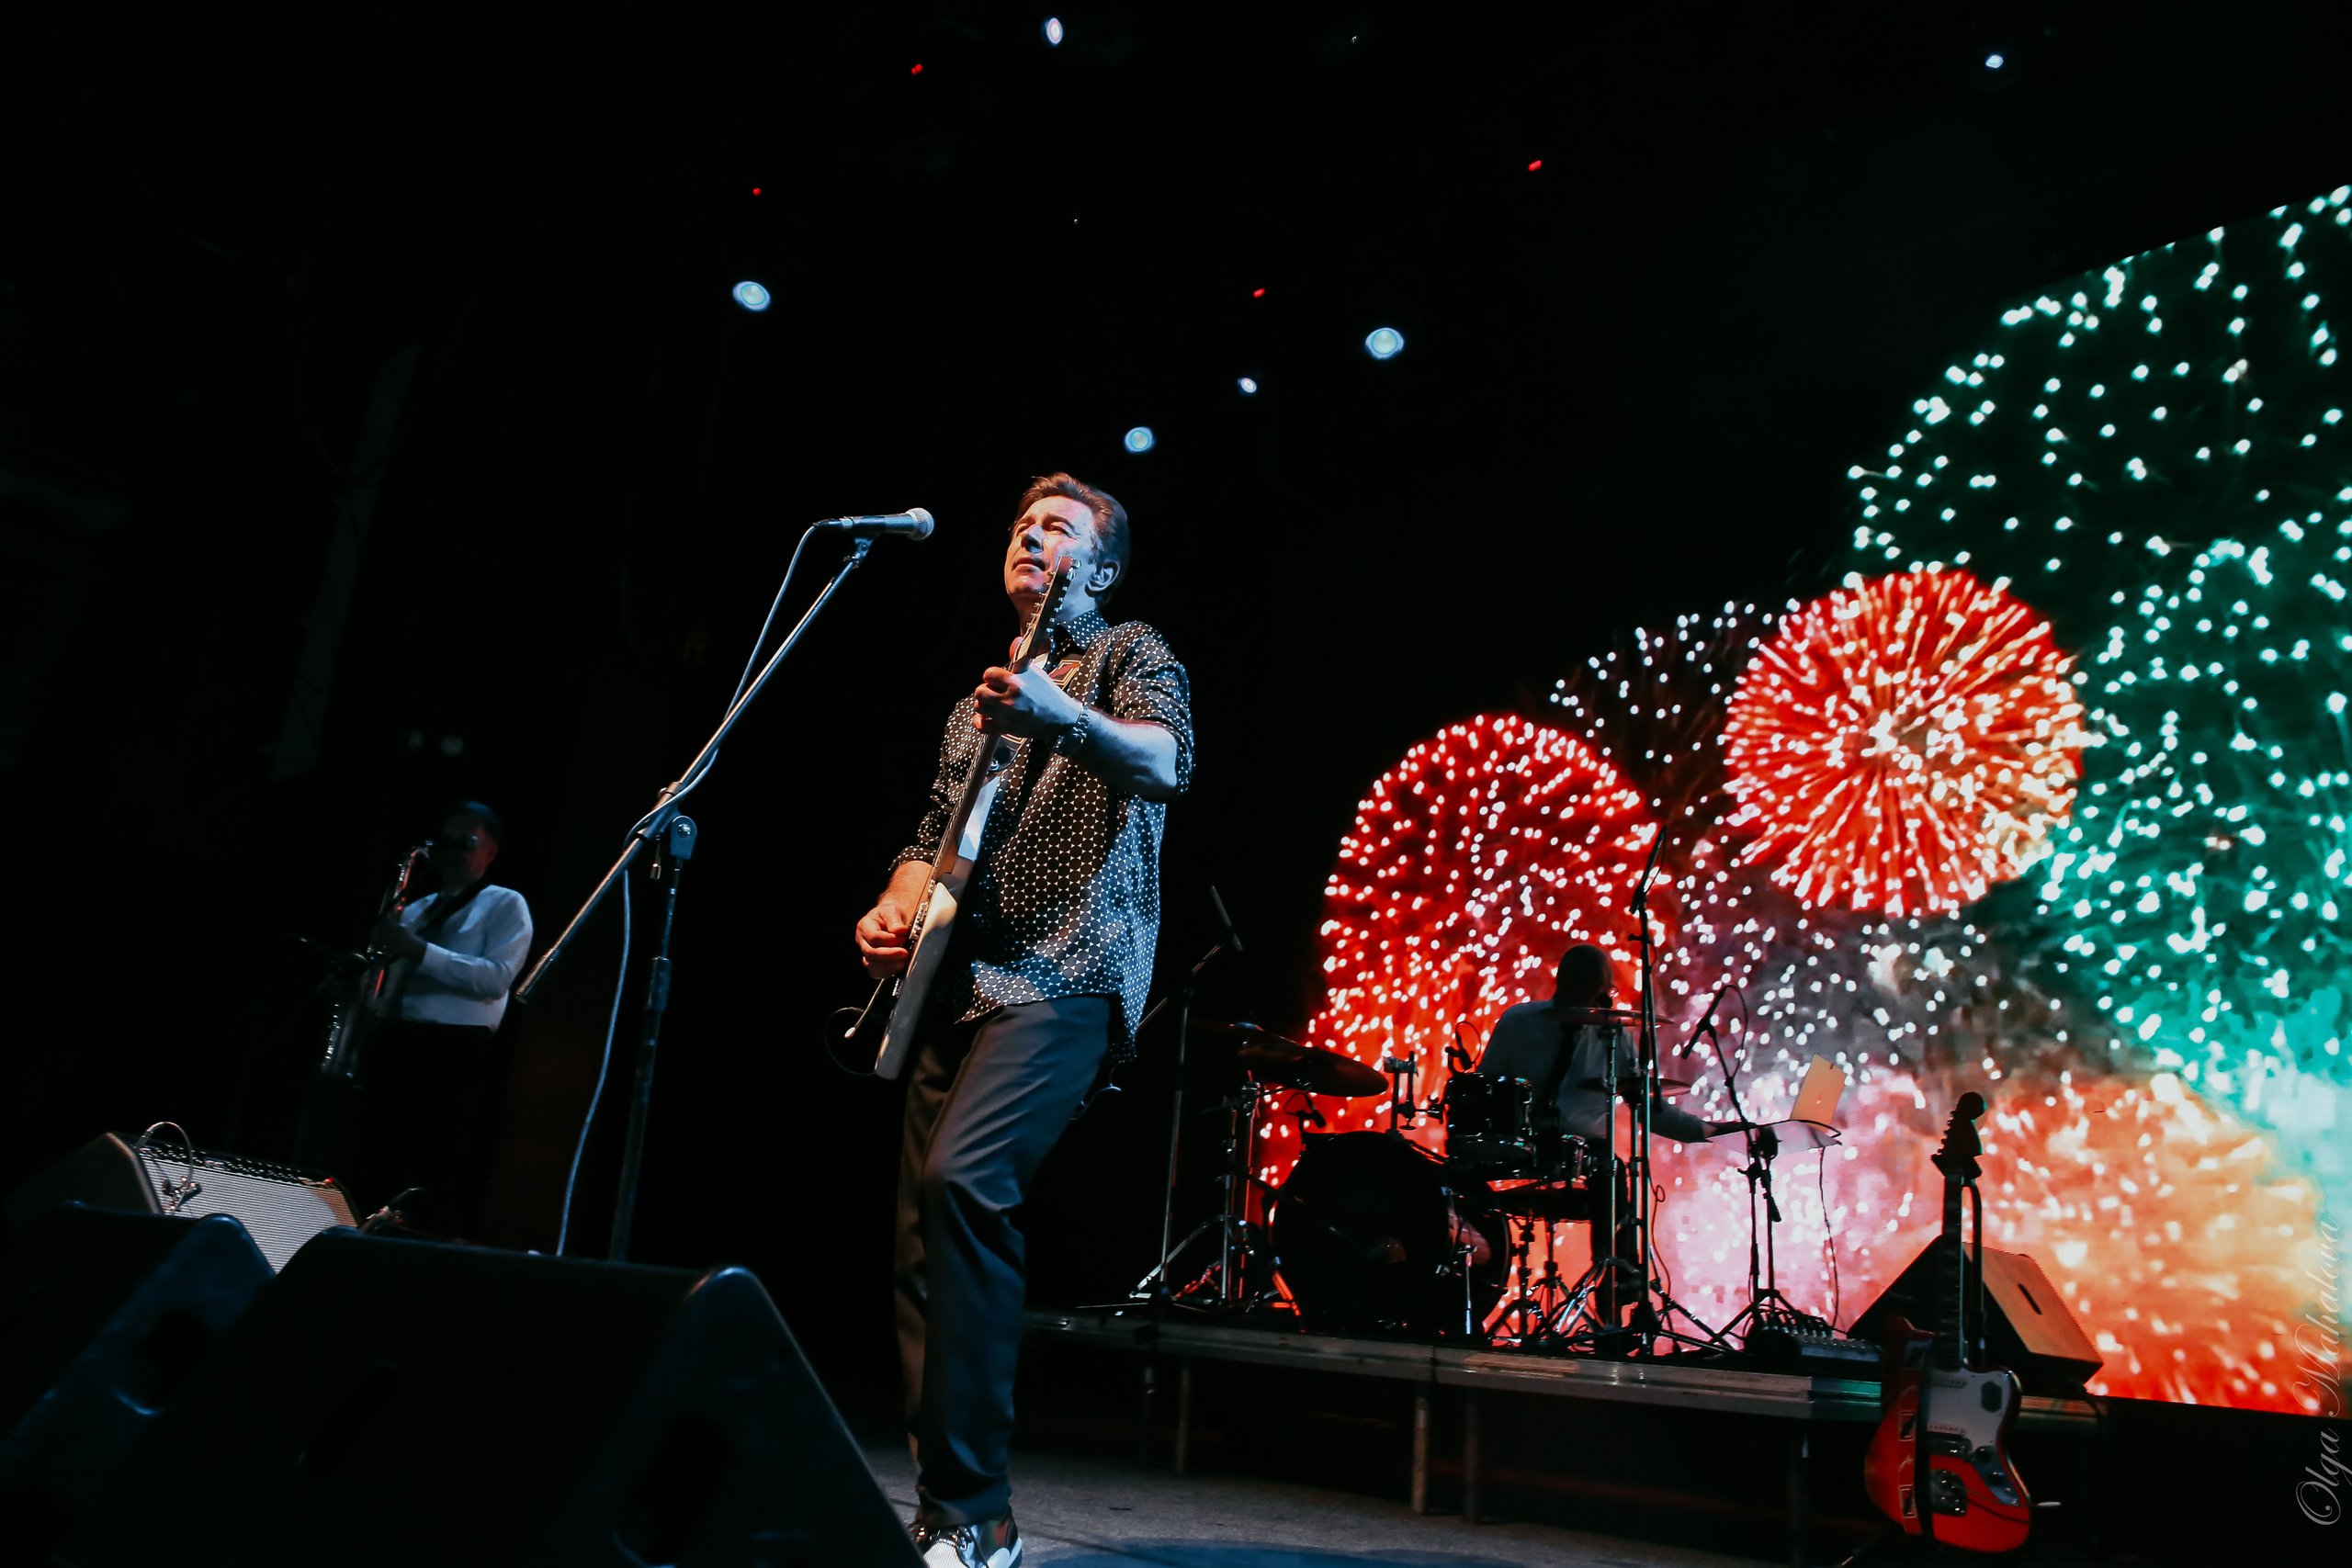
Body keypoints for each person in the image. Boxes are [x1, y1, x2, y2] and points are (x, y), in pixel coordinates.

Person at [855, 473, 1191, 1568]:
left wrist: (1062, 716)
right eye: (1019, 526)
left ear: (1097, 567)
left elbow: (1163, 759)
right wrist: (896, 898)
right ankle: (951, 1509)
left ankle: (980, 1511)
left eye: (1058, 530)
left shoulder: (1128, 650)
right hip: (957, 983)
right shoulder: (975, 701)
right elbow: (929, 832)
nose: (1031, 539)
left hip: (1071, 969)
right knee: (919, 1241)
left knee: (965, 1182)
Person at [1479, 942, 1739, 1323]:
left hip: (1585, 1152)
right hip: (1524, 1143)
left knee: (1613, 1170)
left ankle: (1615, 1293)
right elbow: (1484, 1089)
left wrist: (1711, 1131)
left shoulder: (1614, 1036)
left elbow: (1651, 1111)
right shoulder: (1519, 1022)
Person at [362, 801, 533, 1237]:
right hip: (396, 1040)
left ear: (491, 853)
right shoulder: (415, 909)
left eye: (467, 841)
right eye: (448, 838)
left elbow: (496, 979)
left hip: (455, 1049)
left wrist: (418, 950)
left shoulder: (505, 904)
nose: (452, 848)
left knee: (436, 1169)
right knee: (379, 1157)